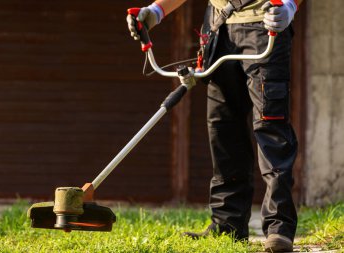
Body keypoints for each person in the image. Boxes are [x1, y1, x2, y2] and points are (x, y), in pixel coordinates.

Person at [127, 0, 302, 252]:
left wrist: (290, 5)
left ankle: (279, 229)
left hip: (266, 26)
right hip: (217, 29)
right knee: (223, 129)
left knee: (270, 129)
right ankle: (227, 225)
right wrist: (156, 11)